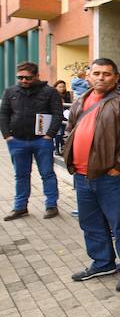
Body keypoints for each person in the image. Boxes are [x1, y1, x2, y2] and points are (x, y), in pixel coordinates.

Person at [63, 58, 120, 292]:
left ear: (116, 77)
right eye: (97, 73)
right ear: (88, 75)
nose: (101, 78)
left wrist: (118, 168)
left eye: (107, 74)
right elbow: (70, 131)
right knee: (90, 223)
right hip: (82, 176)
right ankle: (103, 263)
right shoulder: (81, 101)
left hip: (112, 178)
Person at [1, 62, 63, 220]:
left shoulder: (50, 92)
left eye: (27, 78)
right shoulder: (10, 92)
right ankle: (20, 207)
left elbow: (57, 114)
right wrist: (7, 136)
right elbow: (3, 114)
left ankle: (51, 205)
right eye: (20, 77)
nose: (23, 80)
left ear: (36, 76)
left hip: (42, 141)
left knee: (47, 174)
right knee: (21, 176)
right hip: (17, 142)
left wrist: (49, 135)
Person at [52, 80, 73, 155]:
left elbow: (71, 104)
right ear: (55, 87)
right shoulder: (53, 95)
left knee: (63, 133)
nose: (62, 88)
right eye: (60, 87)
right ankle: (57, 149)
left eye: (63, 86)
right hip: (56, 117)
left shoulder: (68, 94)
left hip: (65, 116)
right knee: (58, 134)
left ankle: (62, 148)